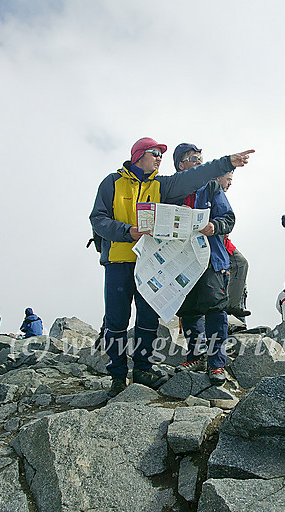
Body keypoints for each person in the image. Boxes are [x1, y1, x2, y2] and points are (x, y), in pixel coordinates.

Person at [90, 137, 254, 397]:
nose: (158, 158)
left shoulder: (162, 185)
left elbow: (196, 176)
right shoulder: (112, 182)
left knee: (147, 319)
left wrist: (226, 162)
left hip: (151, 264)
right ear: (138, 155)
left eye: (161, 155)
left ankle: (143, 368)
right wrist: (127, 232)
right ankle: (118, 375)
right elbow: (97, 219)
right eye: (154, 153)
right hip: (119, 262)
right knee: (117, 321)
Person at [172, 143, 235, 385]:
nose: (198, 161)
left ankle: (217, 363)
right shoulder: (170, 190)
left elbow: (228, 218)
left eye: (200, 158)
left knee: (215, 307)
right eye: (192, 158)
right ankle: (195, 354)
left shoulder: (211, 187)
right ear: (180, 165)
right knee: (188, 309)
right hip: (180, 259)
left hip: (210, 258)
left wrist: (214, 227)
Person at [218, 172, 251, 319]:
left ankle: (233, 304)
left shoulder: (220, 194)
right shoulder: (211, 192)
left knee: (241, 263)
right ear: (218, 178)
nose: (230, 183)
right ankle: (232, 305)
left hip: (222, 241)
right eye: (228, 179)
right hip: (213, 241)